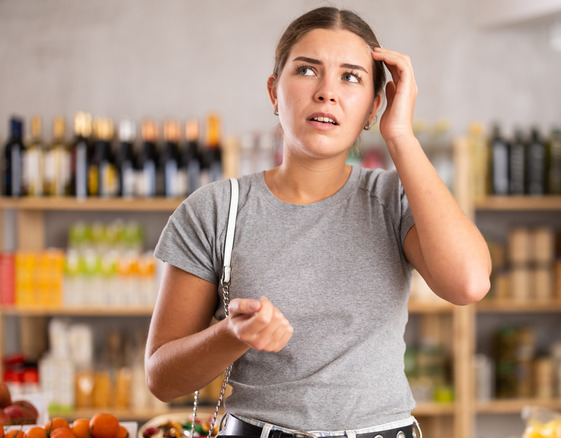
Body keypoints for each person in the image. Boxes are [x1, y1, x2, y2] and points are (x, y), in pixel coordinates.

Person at [145, 6, 492, 438]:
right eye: (308, 70)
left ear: (373, 106)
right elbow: (162, 379)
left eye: (351, 77)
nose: (327, 92)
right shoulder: (215, 210)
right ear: (274, 91)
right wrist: (233, 334)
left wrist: (400, 135)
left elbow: (468, 284)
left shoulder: (393, 199)